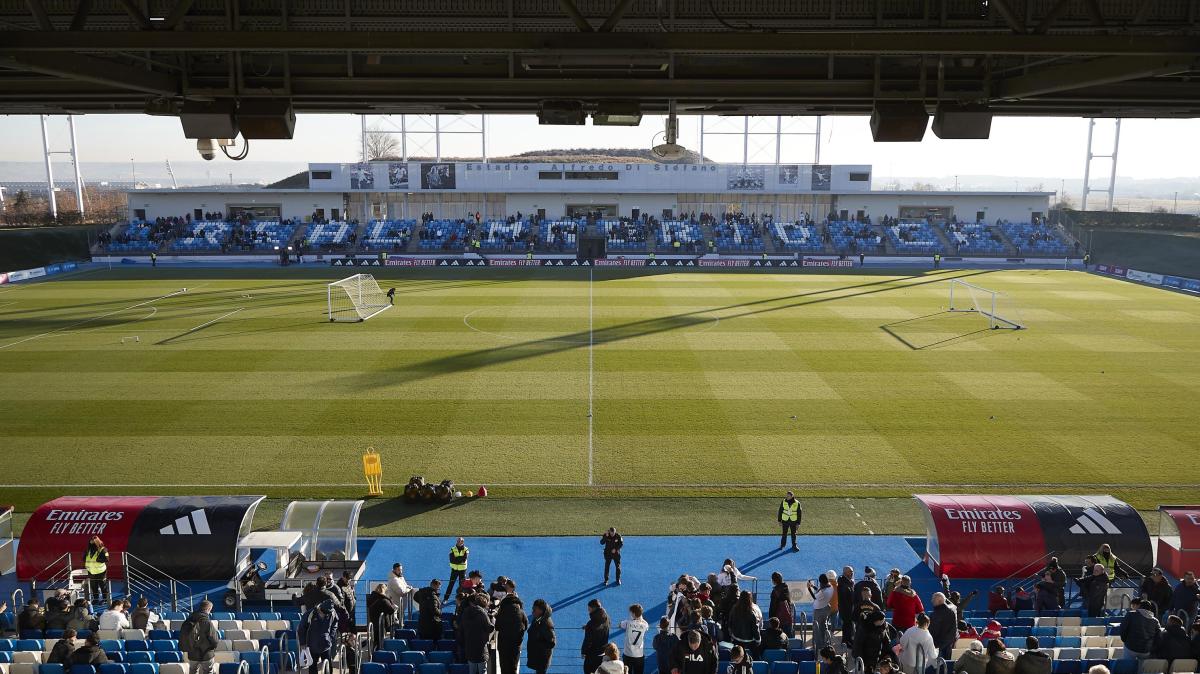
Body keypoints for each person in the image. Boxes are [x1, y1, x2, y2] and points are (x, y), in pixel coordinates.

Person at [299, 600, 339, 674]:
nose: (324, 615)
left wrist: (330, 636)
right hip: (312, 644)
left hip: (326, 643)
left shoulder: (332, 613)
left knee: (328, 666)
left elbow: (335, 623)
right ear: (319, 609)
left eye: (326, 614)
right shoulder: (310, 614)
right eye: (323, 613)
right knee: (312, 666)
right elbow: (301, 628)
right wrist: (302, 643)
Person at [180, 600, 220, 674]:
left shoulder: (188, 620)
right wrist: (213, 648)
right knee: (208, 671)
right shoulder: (207, 622)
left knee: (193, 671)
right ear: (208, 609)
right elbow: (214, 639)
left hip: (192, 654)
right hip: (206, 653)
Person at [497, 584, 528, 674]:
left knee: (504, 667)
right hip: (516, 645)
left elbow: (497, 627)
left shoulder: (502, 611)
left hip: (503, 645)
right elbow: (526, 626)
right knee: (513, 667)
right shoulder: (521, 612)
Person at [459, 593, 494, 674]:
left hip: (469, 646)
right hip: (481, 647)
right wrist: (491, 619)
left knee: (472, 670)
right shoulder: (482, 614)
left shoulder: (466, 612)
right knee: (483, 670)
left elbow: (461, 629)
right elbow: (489, 628)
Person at [527, 599, 557, 674]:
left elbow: (552, 643)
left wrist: (537, 644)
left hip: (542, 658)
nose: (532, 611)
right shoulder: (538, 618)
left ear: (541, 610)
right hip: (538, 656)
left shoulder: (546, 624)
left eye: (534, 609)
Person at [583, 599, 612, 674]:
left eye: (589, 609)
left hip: (592, 654)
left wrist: (583, 652)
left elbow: (587, 640)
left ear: (593, 609)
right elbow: (601, 627)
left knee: (588, 671)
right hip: (603, 651)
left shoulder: (591, 624)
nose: (588, 611)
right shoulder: (607, 618)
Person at [728, 591, 760, 657]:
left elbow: (730, 622)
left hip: (736, 638)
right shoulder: (752, 613)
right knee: (756, 655)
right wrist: (758, 639)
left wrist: (732, 634)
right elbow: (755, 628)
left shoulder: (734, 609)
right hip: (750, 640)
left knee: (737, 655)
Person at [808, 573, 835, 650]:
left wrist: (808, 588)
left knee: (817, 627)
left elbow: (814, 597)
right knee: (823, 626)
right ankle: (825, 641)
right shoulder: (830, 587)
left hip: (819, 610)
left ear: (821, 582)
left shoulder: (823, 591)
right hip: (826, 608)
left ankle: (819, 645)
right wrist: (813, 586)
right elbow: (819, 591)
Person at [620, 604, 649, 674]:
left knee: (626, 672)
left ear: (633, 613)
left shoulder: (628, 622)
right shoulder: (645, 624)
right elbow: (646, 627)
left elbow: (620, 625)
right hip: (639, 655)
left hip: (628, 653)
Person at [929, 593, 958, 661]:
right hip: (948, 645)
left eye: (933, 599)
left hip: (937, 647)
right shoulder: (952, 612)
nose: (931, 601)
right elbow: (953, 630)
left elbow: (932, 631)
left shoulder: (934, 615)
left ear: (939, 601)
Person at [769, 573, 794, 637]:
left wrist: (771, 618)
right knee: (788, 639)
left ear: (773, 581)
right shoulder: (786, 588)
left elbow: (772, 607)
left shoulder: (775, 592)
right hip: (788, 617)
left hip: (778, 620)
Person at [84, 535, 109, 602]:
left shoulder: (103, 549)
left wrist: (98, 560)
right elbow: (84, 558)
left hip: (101, 571)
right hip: (91, 571)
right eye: (90, 542)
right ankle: (95, 599)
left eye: (93, 542)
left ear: (97, 542)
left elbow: (107, 559)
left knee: (102, 586)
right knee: (93, 586)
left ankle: (105, 599)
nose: (91, 543)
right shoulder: (88, 550)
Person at [838, 567, 856, 647]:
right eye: (850, 572)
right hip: (846, 609)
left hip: (848, 608)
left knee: (848, 626)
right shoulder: (844, 584)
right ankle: (846, 642)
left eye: (852, 571)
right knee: (847, 626)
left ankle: (847, 641)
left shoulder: (847, 582)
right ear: (845, 573)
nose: (852, 573)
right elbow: (849, 596)